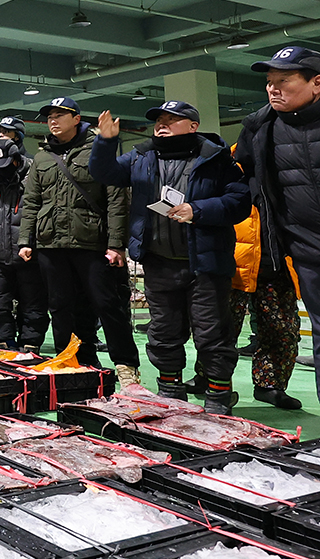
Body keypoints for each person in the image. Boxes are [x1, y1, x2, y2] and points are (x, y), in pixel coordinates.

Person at [91, 101, 250, 412]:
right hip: (158, 261)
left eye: (171, 119)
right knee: (163, 332)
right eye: (159, 119)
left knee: (212, 333)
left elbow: (239, 201)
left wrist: (197, 210)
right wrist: (106, 141)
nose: (161, 124)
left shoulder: (216, 158)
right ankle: (170, 392)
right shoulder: (141, 156)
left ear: (193, 126)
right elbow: (104, 173)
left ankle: (218, 397)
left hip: (205, 264)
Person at [18, 97, 141, 385]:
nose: (53, 120)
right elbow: (31, 201)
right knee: (60, 307)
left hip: (92, 243)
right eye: (50, 116)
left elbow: (116, 200)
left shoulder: (98, 150)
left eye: (60, 115)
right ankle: (72, 361)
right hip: (50, 244)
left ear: (76, 119)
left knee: (107, 305)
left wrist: (116, 244)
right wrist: (25, 240)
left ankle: (126, 366)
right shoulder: (42, 157)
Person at [234, 45, 320, 402]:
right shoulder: (259, 127)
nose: (273, 88)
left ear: (316, 83)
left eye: (284, 80)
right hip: (303, 251)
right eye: (270, 82)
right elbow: (242, 181)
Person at [226, 182, 302, 409]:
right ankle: (210, 380)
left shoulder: (280, 171)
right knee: (221, 329)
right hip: (234, 262)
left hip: (277, 261)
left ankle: (269, 385)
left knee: (282, 329)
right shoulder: (230, 170)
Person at [0, 138, 48, 351]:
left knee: (33, 305)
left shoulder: (34, 179)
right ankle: (5, 343)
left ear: (16, 160)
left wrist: (34, 244)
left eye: (5, 165)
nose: (0, 171)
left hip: (29, 257)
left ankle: (30, 345)